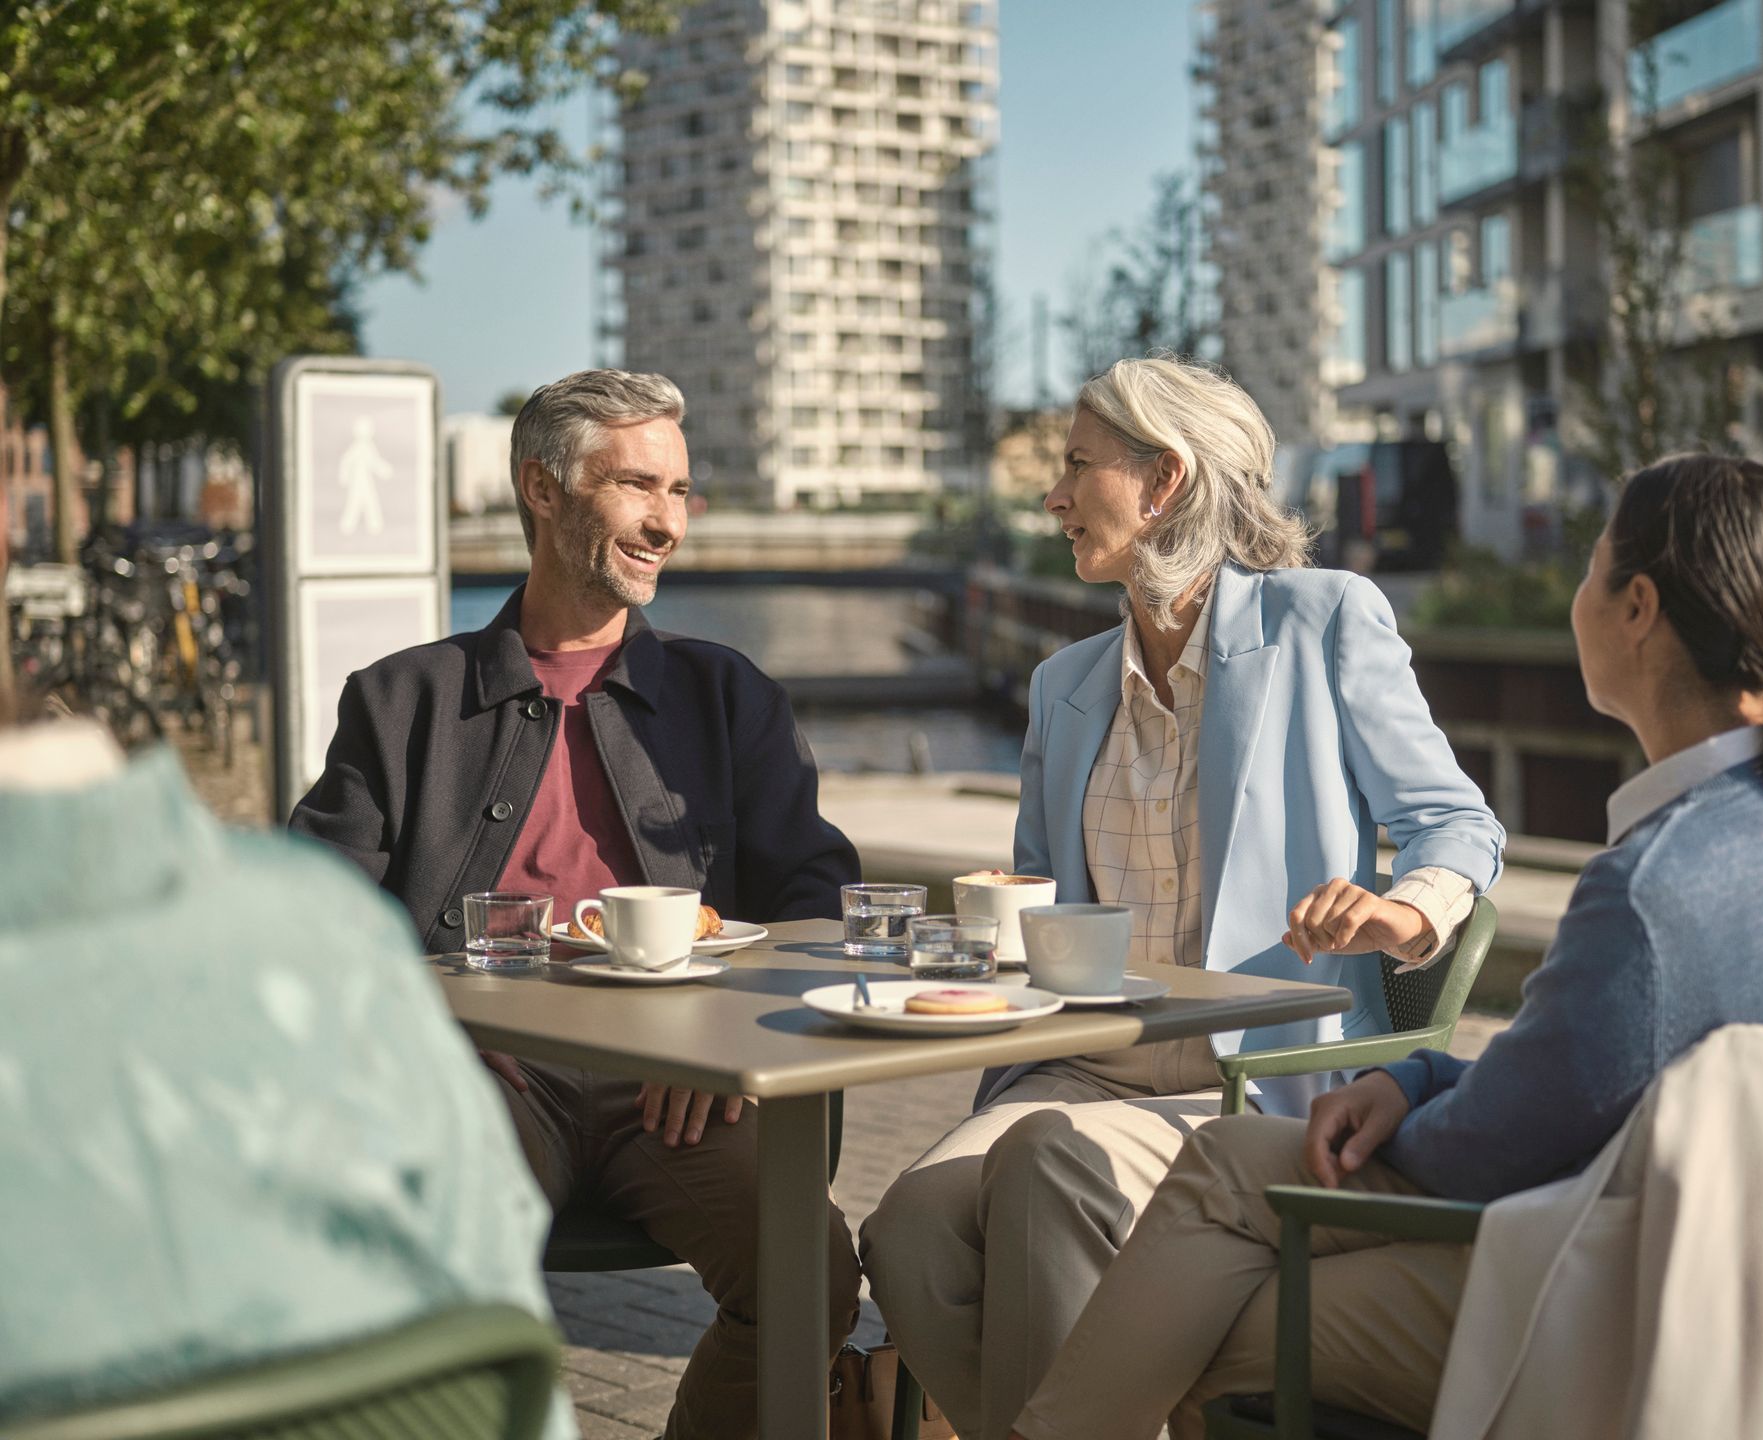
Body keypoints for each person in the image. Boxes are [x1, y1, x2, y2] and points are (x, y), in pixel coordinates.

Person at [1008, 453, 1763, 1440]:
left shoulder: (1652, 889)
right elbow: (1579, 1079)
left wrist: (1405, 1116)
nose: (1579, 596)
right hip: (1747, 1295)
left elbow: (1488, 1152)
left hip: (1590, 1306)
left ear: (1637, 608)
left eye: (1590, 566)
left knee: (1196, 1285)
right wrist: (1419, 1076)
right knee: (1206, 1224)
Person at [862, 356, 1505, 1440]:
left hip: (1249, 1083)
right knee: (911, 1226)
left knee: (1042, 1168)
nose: (1053, 497)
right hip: (1072, 1064)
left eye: (1076, 467)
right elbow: (1030, 903)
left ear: (1163, 480)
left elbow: (1459, 822)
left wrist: (1409, 910)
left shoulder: (1325, 623)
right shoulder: (1062, 688)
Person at [289, 368, 864, 1439]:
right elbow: (312, 919)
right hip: (484, 1080)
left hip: (681, 1088)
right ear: (542, 490)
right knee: (425, 1263)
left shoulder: (727, 694)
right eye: (638, 486)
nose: (668, 522)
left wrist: (723, 1043)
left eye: (682, 492)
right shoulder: (403, 699)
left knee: (812, 1273)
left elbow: (819, 892)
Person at [0, 705, 574, 1432]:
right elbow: (518, 1362)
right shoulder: (331, 933)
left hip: (634, 1090)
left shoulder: (713, 694)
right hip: (491, 1070)